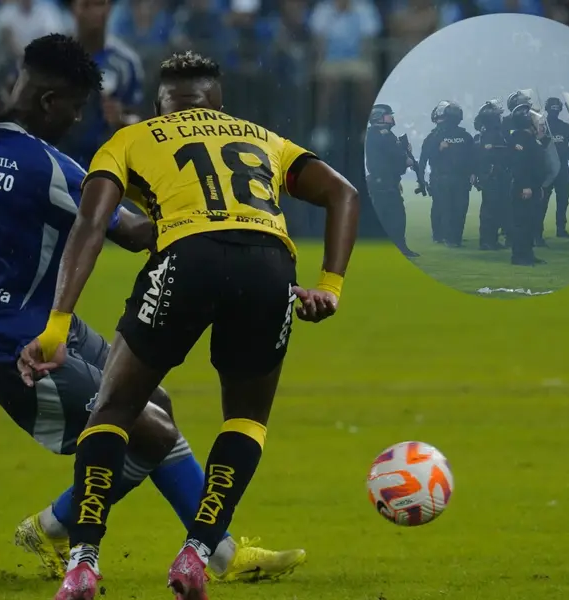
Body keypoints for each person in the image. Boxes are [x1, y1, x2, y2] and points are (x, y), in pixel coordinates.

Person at [0, 33, 306, 585]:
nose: (78, 120)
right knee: (150, 431)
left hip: (4, 329)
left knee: (156, 402)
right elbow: (134, 233)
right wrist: (205, 200)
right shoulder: (50, 168)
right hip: (17, 349)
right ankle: (60, 527)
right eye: (75, 108)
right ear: (50, 101)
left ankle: (213, 549)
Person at [18, 50, 359, 600]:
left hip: (188, 257)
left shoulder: (131, 140)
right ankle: (197, 553)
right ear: (218, 103)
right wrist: (331, 286)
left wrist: (58, 324)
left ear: (161, 107)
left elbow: (91, 223)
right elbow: (343, 192)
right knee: (245, 418)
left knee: (114, 407)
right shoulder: (263, 138)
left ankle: (82, 563)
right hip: (271, 263)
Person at [56, 0, 144, 168]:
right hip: (59, 161)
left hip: (107, 164)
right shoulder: (55, 56)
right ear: (73, 9)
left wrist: (120, 119)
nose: (94, 12)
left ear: (109, 8)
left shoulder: (125, 62)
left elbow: (139, 122)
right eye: (86, 5)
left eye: (99, 4)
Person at [364, 103, 421, 258]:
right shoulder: (379, 135)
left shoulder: (380, 134)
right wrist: (405, 158)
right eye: (388, 115)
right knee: (393, 217)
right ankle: (396, 248)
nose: (392, 117)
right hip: (383, 183)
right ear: (378, 116)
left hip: (387, 181)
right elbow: (392, 155)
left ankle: (395, 248)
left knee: (393, 217)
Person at [419, 101, 475, 247]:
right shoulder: (464, 136)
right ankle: (450, 237)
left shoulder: (434, 136)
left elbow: (424, 159)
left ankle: (448, 237)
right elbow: (473, 157)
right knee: (453, 208)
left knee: (449, 208)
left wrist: (422, 179)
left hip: (447, 178)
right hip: (449, 178)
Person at [505, 102, 547, 266]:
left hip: (532, 186)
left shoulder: (529, 138)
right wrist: (525, 185)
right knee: (522, 222)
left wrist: (538, 186)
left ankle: (528, 254)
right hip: (523, 187)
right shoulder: (520, 138)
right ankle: (519, 256)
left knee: (530, 222)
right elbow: (520, 164)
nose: (538, 122)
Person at [541, 96, 569, 240]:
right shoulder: (541, 126)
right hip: (547, 169)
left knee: (562, 199)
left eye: (556, 108)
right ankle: (539, 231)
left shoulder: (561, 126)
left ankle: (560, 229)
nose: (555, 111)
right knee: (544, 201)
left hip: (561, 168)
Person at [473, 100, 509, 251]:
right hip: (492, 176)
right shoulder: (490, 135)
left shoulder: (487, 134)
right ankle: (487, 241)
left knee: (495, 209)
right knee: (490, 209)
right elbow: (487, 157)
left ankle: (491, 239)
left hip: (493, 176)